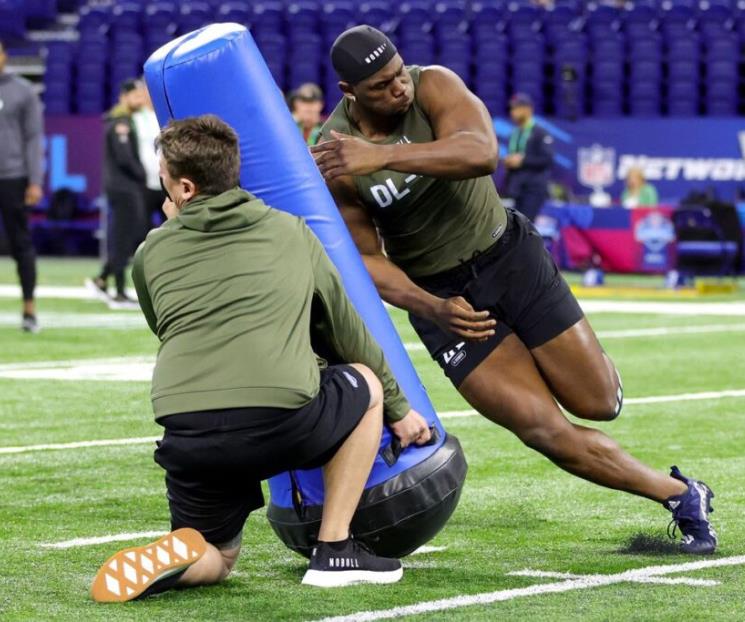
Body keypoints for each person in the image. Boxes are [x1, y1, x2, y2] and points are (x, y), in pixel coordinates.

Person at [312, 25, 717, 555]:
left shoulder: (432, 85)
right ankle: (683, 496)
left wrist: (382, 157)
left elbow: (481, 152)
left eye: (398, 73)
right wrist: (432, 306)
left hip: (510, 257)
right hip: (442, 298)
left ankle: (559, 346)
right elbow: (364, 259)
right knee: (542, 429)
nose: (398, 89)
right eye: (382, 85)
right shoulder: (333, 152)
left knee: (598, 403)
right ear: (349, 91)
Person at [91, 115, 432, 602]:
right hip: (279, 421)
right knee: (364, 381)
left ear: (184, 187)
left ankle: (182, 556)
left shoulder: (151, 252)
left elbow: (166, 324)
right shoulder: (291, 232)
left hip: (187, 431)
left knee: (219, 557)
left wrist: (173, 231)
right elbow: (346, 331)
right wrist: (400, 412)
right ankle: (334, 548)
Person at [86, 78, 147, 308]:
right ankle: (119, 290)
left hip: (124, 186)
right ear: (125, 96)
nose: (141, 100)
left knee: (129, 236)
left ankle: (103, 279)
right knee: (124, 237)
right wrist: (142, 173)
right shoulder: (120, 121)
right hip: (124, 187)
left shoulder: (124, 119)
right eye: (137, 95)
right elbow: (124, 158)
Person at [0, 39, 43, 332]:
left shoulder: (22, 91)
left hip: (12, 176)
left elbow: (33, 137)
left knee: (21, 244)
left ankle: (29, 310)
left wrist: (35, 180)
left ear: (4, 55)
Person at [503, 93, 554, 222]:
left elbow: (547, 159)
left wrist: (522, 161)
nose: (513, 112)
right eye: (512, 108)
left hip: (533, 189)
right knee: (516, 228)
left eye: (517, 108)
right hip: (516, 188)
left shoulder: (540, 133)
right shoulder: (514, 133)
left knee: (526, 227)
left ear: (528, 109)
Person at [132, 81, 166, 237]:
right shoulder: (135, 119)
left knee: (170, 225)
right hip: (144, 182)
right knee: (143, 227)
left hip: (166, 180)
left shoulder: (165, 115)